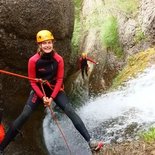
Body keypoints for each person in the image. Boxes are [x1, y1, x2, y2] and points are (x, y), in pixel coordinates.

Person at [0, 30, 103, 154]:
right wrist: (43, 96)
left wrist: (51, 98)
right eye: (44, 43)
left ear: (53, 43)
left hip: (55, 89)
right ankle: (1, 148)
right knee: (25, 114)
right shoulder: (33, 60)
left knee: (70, 110)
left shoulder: (58, 59)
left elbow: (59, 80)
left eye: (49, 42)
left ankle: (91, 142)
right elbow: (32, 83)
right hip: (38, 91)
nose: (47, 45)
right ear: (39, 45)